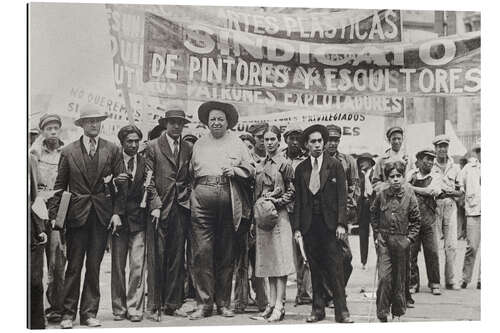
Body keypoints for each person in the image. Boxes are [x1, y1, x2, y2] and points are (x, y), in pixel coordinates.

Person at [48, 104, 121, 328]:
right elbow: (59, 187)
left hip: (101, 215)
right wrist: (54, 215)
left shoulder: (112, 149)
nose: (94, 124)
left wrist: (117, 213)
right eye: (89, 121)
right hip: (76, 216)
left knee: (94, 266)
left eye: (97, 120)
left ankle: (89, 313)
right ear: (82, 125)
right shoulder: (68, 151)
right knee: (74, 265)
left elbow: (120, 185)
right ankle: (68, 314)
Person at [189, 101, 255, 320]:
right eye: (212, 119)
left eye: (220, 119)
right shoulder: (199, 144)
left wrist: (235, 170)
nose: (216, 122)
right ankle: (204, 304)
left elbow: (251, 169)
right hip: (202, 199)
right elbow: (191, 173)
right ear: (207, 122)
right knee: (202, 252)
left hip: (228, 198)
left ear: (228, 122)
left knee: (226, 252)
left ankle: (223, 303)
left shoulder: (237, 143)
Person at [293, 124, 353, 324]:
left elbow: (342, 197)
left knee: (335, 268)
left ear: (324, 142)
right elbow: (299, 201)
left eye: (320, 141)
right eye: (313, 142)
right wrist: (298, 228)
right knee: (315, 268)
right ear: (306, 145)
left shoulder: (334, 165)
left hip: (330, 226)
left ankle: (342, 312)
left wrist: (341, 224)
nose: (317, 145)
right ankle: (317, 310)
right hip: (310, 225)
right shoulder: (301, 169)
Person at [144, 109, 193, 318]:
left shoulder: (189, 148)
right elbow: (149, 179)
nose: (176, 126)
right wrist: (155, 204)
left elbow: (191, 177)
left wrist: (187, 197)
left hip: (180, 208)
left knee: (176, 256)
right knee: (157, 256)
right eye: (172, 122)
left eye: (180, 123)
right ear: (165, 124)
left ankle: (172, 304)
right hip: (159, 209)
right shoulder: (152, 146)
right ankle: (154, 305)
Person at [251, 126, 295, 322]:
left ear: (279, 141)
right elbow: (256, 194)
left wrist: (276, 201)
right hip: (262, 217)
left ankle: (280, 305)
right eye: (266, 139)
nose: (269, 142)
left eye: (272, 139)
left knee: (280, 261)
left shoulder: (285, 164)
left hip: (279, 216)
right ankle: (270, 304)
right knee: (268, 261)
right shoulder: (259, 165)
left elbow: (292, 191)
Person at [370, 161, 421, 322]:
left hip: (401, 242)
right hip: (384, 241)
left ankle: (397, 312)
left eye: (399, 176)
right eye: (392, 176)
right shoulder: (381, 195)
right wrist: (377, 234)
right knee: (385, 277)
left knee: (400, 279)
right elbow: (373, 214)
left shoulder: (409, 195)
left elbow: (416, 221)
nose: (396, 179)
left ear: (403, 177)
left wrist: (409, 239)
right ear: (387, 178)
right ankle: (382, 311)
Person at [30, 114, 66, 323]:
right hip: (36, 211)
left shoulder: (66, 153)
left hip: (56, 211)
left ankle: (55, 308)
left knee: (57, 261)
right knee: (35, 265)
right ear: (42, 131)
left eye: (56, 128)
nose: (53, 131)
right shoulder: (33, 153)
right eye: (49, 128)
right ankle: (33, 309)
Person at [110, 125, 148, 322]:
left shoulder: (144, 162)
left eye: (136, 141)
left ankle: (134, 307)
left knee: (137, 265)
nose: (133, 145)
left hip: (138, 221)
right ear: (122, 143)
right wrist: (114, 183)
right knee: (117, 266)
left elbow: (151, 188)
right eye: (129, 142)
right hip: (118, 222)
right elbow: (103, 188)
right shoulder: (113, 162)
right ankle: (118, 308)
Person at [233, 132, 268, 314]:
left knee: (258, 262)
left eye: (249, 147)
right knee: (241, 263)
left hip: (255, 218)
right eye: (243, 147)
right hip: (240, 219)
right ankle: (240, 300)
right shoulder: (235, 170)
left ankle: (263, 301)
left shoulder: (258, 169)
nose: (246, 150)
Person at [325, 124, 358, 287]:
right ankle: (329, 293)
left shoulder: (348, 161)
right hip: (322, 216)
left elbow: (355, 186)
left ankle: (339, 288)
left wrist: (347, 208)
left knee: (346, 256)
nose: (332, 143)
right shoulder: (317, 159)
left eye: (336, 140)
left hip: (340, 216)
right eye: (330, 140)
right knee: (325, 256)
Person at [282, 126, 312, 306]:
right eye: (291, 138)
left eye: (298, 138)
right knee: (283, 252)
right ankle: (278, 296)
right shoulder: (279, 158)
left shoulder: (307, 160)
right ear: (285, 139)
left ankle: (304, 293)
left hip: (301, 211)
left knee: (303, 251)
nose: (294, 142)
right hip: (282, 210)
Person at [406, 149, 442, 295]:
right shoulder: (411, 174)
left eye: (432, 160)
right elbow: (404, 189)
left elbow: (431, 191)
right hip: (413, 219)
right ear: (419, 161)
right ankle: (413, 283)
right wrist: (416, 189)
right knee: (411, 252)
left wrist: (413, 188)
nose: (430, 162)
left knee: (432, 252)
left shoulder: (436, 176)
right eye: (427, 159)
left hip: (429, 219)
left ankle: (434, 283)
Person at [431, 134, 463, 290]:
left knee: (451, 245)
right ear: (435, 148)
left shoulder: (455, 167)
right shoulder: (431, 166)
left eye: (445, 146)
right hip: (435, 206)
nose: (442, 149)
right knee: (434, 245)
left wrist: (449, 192)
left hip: (450, 206)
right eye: (439, 146)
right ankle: (434, 281)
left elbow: (460, 191)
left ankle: (450, 280)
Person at [29, 151, 48, 329]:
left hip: (30, 229)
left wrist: (39, 228)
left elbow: (35, 198)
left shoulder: (31, 161)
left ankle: (35, 324)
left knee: (34, 281)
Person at [460, 143, 481, 290]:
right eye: (480, 151)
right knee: (472, 247)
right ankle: (465, 278)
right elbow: (460, 185)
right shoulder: (469, 168)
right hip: (474, 211)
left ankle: (482, 280)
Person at [372, 126, 414, 191]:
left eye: (399, 139)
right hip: (388, 196)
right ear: (389, 141)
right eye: (394, 139)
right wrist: (388, 186)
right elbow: (375, 183)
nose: (397, 141)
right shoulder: (382, 159)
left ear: (402, 139)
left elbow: (413, 179)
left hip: (405, 195)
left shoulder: (409, 158)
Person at [356, 153, 376, 269]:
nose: (362, 164)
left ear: (369, 162)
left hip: (373, 204)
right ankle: (364, 261)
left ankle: (380, 258)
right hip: (363, 205)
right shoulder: (359, 175)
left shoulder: (375, 173)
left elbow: (374, 189)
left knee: (376, 232)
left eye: (364, 161)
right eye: (360, 162)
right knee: (363, 234)